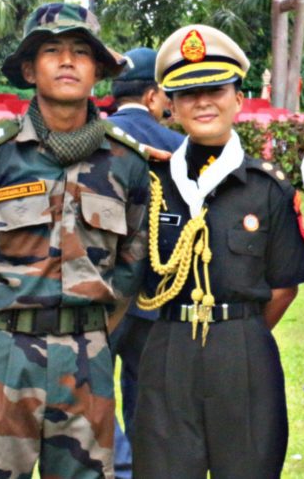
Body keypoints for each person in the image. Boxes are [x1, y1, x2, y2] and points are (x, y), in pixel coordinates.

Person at [0, 3, 150, 478]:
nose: (67, 61)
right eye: (52, 50)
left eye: (81, 51)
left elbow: (131, 264)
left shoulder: (125, 162)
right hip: (4, 351)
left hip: (88, 354)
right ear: (27, 68)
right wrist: (5, 317)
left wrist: (91, 326)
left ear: (98, 69)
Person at [132, 25, 304, 478]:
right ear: (170, 106)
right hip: (167, 349)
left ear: (238, 97)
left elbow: (283, 287)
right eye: (187, 92)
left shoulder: (267, 188)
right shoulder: (149, 182)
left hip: (243, 351)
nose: (203, 102)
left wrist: (235, 330)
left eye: (215, 88)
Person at [106, 46, 184, 478]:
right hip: (159, 294)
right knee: (147, 393)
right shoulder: (181, 145)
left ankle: (117, 467)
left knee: (92, 388)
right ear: (154, 95)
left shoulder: (93, 139)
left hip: (102, 293)